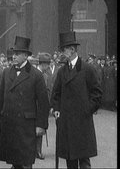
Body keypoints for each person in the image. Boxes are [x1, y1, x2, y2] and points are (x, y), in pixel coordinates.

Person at [0, 36, 50, 169]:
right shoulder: (6, 73)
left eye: (17, 54)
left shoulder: (36, 75)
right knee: (15, 161)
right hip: (9, 124)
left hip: (27, 127)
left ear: (25, 56)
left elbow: (43, 103)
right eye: (13, 53)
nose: (14, 56)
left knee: (25, 162)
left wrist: (41, 125)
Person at [51, 31, 102, 169]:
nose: (62, 52)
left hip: (82, 124)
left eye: (64, 49)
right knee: (70, 160)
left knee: (84, 160)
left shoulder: (87, 69)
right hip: (66, 124)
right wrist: (56, 109)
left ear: (72, 50)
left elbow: (97, 94)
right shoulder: (62, 72)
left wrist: (87, 110)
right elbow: (55, 94)